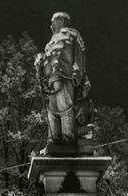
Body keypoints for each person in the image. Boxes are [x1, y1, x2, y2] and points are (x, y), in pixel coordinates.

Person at [36, 12, 92, 145]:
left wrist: (78, 77)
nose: (52, 25)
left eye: (54, 22)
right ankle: (53, 140)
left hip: (66, 77)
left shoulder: (72, 35)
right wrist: (40, 63)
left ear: (61, 21)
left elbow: (79, 56)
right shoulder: (50, 42)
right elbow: (47, 66)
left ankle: (68, 140)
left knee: (65, 108)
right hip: (51, 81)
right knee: (52, 111)